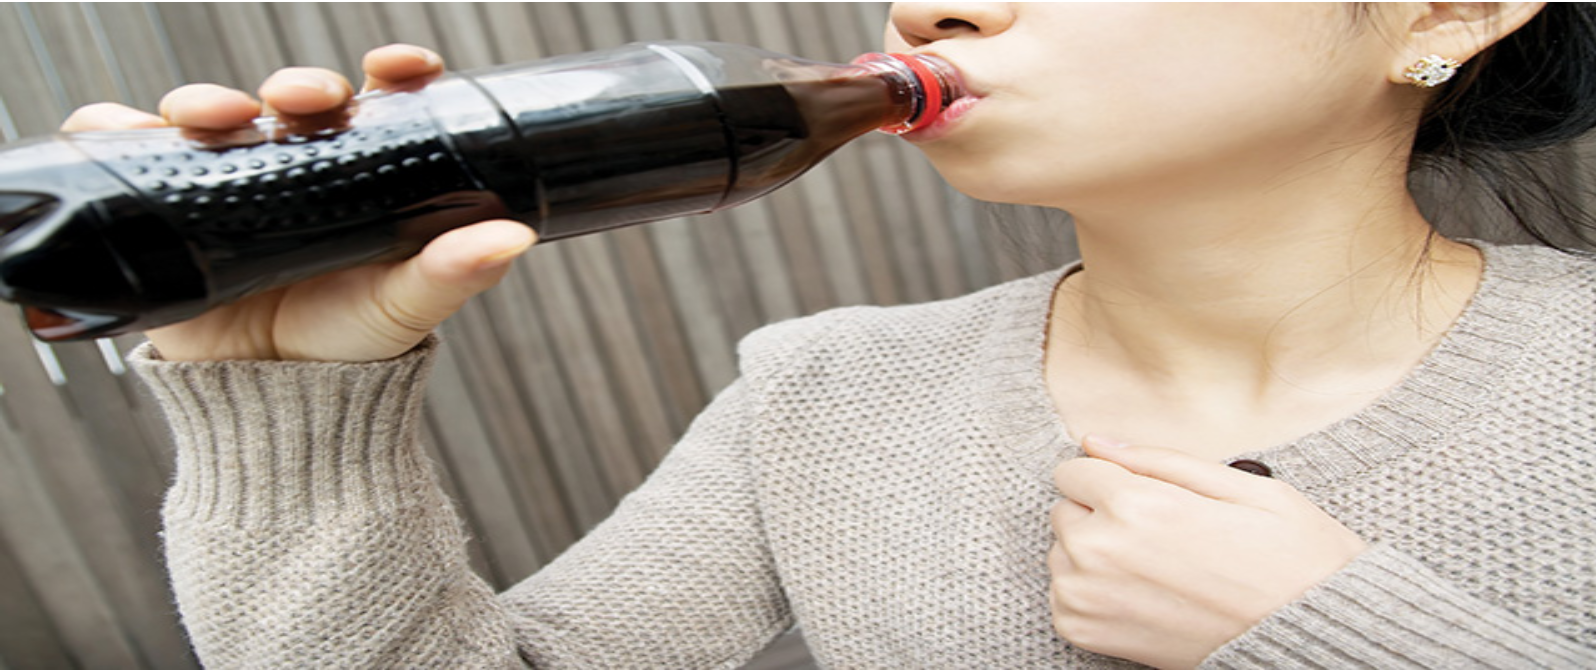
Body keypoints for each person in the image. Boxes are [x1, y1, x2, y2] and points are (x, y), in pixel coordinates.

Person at [64, 3, 1596, 668]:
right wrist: (286, 397)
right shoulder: (826, 395)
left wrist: (1325, 631)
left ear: (1447, 10)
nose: (929, 7)